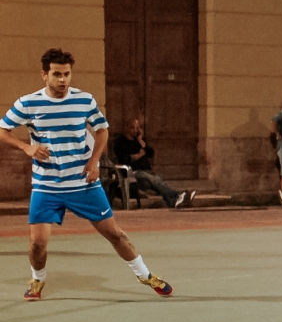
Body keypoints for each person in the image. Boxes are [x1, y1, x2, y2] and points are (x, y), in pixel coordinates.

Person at [2, 48, 172, 300]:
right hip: (46, 186)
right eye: (57, 74)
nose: (63, 79)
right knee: (37, 244)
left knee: (115, 234)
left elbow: (102, 131)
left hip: (83, 184)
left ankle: (145, 275)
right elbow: (3, 130)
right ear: (44, 75)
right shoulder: (28, 103)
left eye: (67, 74)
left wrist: (93, 163)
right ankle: (37, 280)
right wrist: (26, 147)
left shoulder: (84, 100)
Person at [111, 115, 193, 209]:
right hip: (134, 172)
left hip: (147, 172)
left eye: (137, 128)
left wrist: (140, 140)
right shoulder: (121, 142)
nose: (135, 130)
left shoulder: (138, 141)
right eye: (132, 127)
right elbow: (125, 159)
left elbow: (150, 153)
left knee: (158, 183)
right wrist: (139, 155)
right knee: (156, 180)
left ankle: (174, 201)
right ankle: (176, 197)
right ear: (127, 128)